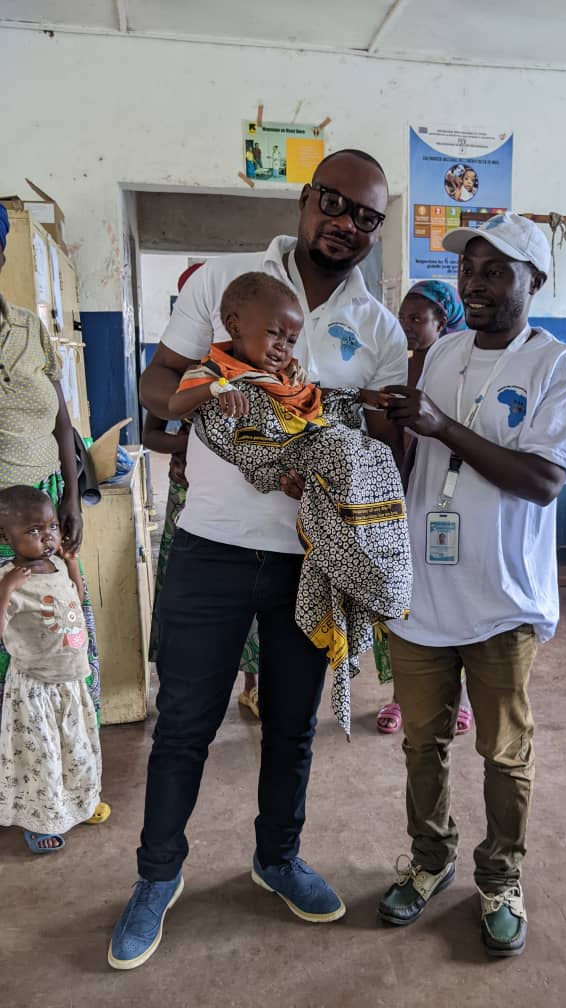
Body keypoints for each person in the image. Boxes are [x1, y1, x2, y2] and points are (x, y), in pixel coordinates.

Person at [108, 149, 407, 970]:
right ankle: (157, 876)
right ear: (307, 199)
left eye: (367, 218)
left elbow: (380, 437)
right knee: (185, 724)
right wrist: (213, 405)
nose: (346, 225)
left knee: (292, 727)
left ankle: (277, 858)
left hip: (310, 559)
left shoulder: (379, 328)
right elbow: (156, 383)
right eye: (334, 204)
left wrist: (334, 449)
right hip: (210, 546)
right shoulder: (223, 281)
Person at [377, 212, 566, 958]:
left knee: (504, 753)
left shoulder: (559, 366)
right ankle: (430, 859)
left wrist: (442, 427)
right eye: (469, 269)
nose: (476, 284)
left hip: (503, 598)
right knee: (422, 744)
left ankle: (500, 877)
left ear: (536, 281)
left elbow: (542, 481)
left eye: (496, 271)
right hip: (421, 594)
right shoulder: (441, 352)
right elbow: (415, 461)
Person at [168, 270, 411, 736]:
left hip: (298, 515)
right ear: (234, 325)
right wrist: (217, 392)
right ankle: (374, 579)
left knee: (367, 459)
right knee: (187, 722)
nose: (283, 347)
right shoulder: (214, 374)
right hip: (225, 532)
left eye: (291, 339)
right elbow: (191, 414)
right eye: (275, 334)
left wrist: (361, 396)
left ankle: (378, 579)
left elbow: (316, 401)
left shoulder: (288, 379)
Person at [0, 205, 109, 850]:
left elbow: (62, 416)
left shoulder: (27, 328)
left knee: (62, 648)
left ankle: (68, 787)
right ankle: (25, 798)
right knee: (10, 668)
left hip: (39, 509)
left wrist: (71, 492)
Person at [143, 262, 262, 716]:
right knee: (193, 600)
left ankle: (254, 685)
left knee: (255, 598)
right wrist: (193, 445)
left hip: (250, 499)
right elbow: (152, 434)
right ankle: (187, 686)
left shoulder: (257, 365)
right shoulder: (184, 371)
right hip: (190, 496)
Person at [376, 279, 473, 736]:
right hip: (403, 496)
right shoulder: (398, 365)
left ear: (444, 321)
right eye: (402, 318)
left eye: (417, 319)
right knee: (404, 601)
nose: (406, 327)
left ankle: (462, 698)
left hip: (451, 499)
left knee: (456, 598)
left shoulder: (462, 371)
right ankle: (403, 696)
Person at [0, 486, 102, 852]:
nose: (48, 538)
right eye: (34, 531)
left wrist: (72, 565)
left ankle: (78, 803)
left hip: (70, 682)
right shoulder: (11, 579)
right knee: (42, 759)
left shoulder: (58, 565)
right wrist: (6, 588)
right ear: (5, 537)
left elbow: (76, 600)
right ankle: (40, 823)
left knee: (75, 749)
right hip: (34, 688)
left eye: (52, 527)